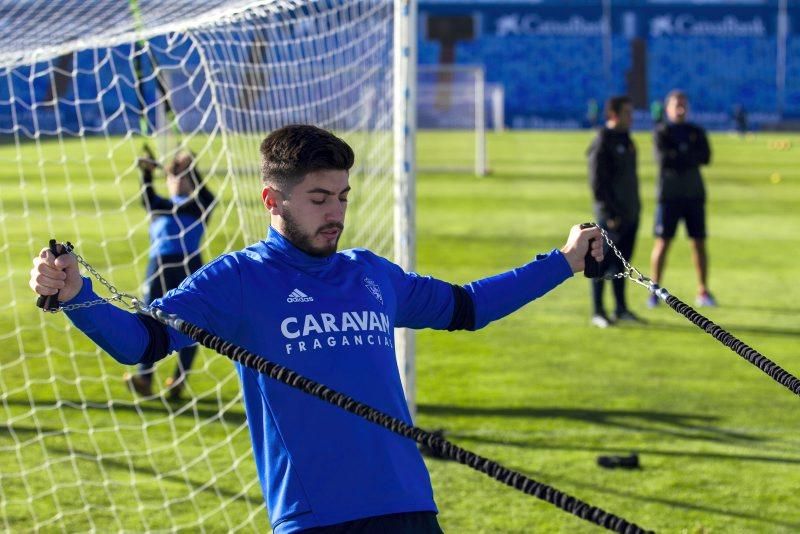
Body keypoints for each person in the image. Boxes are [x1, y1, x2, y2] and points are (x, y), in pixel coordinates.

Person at [30, 124, 604, 533]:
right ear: (271, 200)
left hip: (409, 506)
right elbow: (141, 343)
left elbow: (469, 307)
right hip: (317, 518)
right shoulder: (237, 280)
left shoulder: (371, 274)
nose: (337, 212)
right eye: (319, 198)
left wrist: (564, 260)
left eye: (343, 196)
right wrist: (77, 295)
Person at [125, 149, 215, 399]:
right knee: (149, 315)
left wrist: (192, 167)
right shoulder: (160, 206)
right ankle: (144, 377)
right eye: (173, 177)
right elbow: (147, 196)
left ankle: (179, 379)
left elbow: (209, 197)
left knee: (191, 322)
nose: (177, 181)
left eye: (183, 177)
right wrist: (146, 172)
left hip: (190, 264)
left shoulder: (197, 207)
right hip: (159, 265)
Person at [649, 90, 714, 308]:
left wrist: (680, 155)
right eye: (676, 104)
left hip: (694, 195)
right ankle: (654, 290)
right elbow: (664, 159)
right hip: (669, 196)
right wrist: (686, 156)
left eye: (683, 104)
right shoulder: (662, 132)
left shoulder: (696, 131)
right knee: (662, 243)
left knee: (698, 243)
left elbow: (705, 157)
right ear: (667, 108)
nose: (680, 108)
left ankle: (703, 291)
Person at [586, 95, 642, 328]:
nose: (632, 118)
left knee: (622, 265)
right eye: (627, 113)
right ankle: (598, 311)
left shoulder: (627, 139)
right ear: (613, 115)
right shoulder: (603, 140)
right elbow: (597, 182)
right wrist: (609, 213)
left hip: (630, 213)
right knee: (602, 262)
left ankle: (621, 308)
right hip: (612, 216)